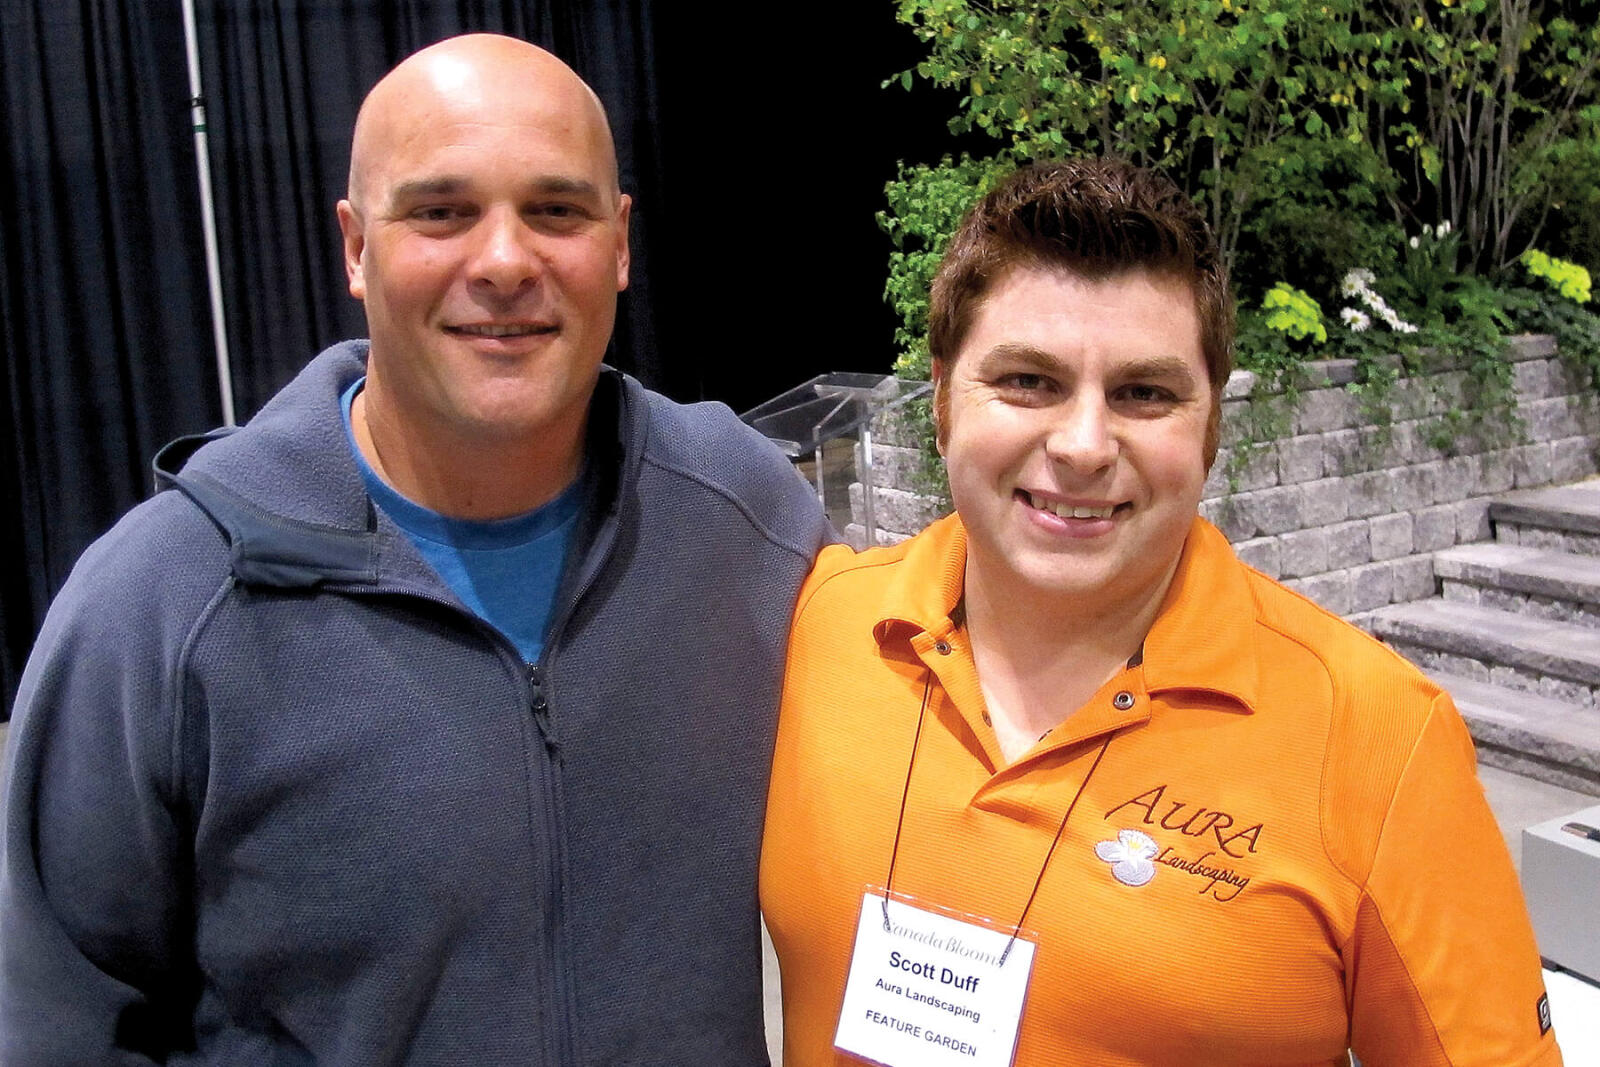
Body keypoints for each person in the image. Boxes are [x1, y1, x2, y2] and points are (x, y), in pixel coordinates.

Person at [1, 34, 827, 1063]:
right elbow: (58, 1019)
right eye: (441, 213)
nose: (503, 262)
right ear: (354, 247)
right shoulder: (163, 606)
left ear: (619, 242)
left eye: (555, 211)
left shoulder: (752, 528)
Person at [761, 158, 1561, 1066]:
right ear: (942, 399)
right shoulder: (821, 623)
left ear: (1212, 424)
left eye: (1145, 393)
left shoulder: (1378, 737)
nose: (1084, 445)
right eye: (1028, 379)